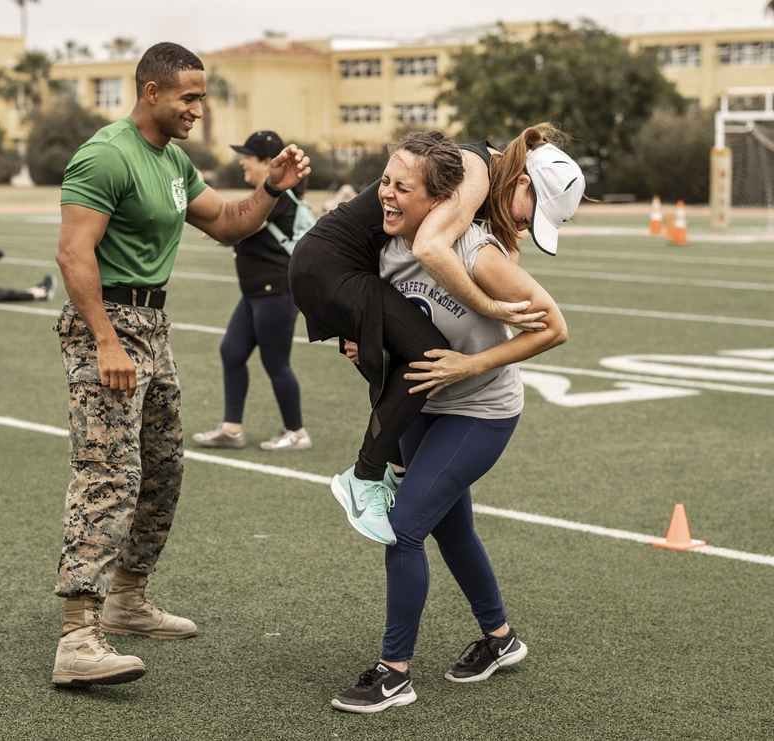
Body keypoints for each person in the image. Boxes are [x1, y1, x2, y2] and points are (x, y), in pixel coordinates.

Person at [50, 42, 310, 688]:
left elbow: (226, 223)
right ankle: (77, 636)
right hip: (104, 325)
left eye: (202, 96)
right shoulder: (108, 155)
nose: (199, 108)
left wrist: (271, 187)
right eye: (189, 97)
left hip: (152, 326)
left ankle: (127, 598)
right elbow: (73, 254)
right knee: (109, 470)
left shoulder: (171, 161)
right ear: (151, 93)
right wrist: (106, 341)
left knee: (162, 466)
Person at [330, 134, 577, 714]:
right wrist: (360, 339)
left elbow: (554, 328)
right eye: (387, 186)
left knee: (404, 525)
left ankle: (394, 675)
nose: (388, 197)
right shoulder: (394, 242)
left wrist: (471, 363)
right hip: (423, 406)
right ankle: (501, 639)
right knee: (452, 528)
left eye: (400, 187)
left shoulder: (478, 251)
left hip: (480, 411)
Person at [288, 124, 582, 544]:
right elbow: (428, 247)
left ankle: (391, 467)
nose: (524, 226)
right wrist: (491, 307)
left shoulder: (490, 186)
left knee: (402, 358)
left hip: (334, 267)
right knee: (427, 354)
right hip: (331, 265)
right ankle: (364, 477)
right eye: (531, 215)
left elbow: (497, 251)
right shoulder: (475, 168)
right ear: (521, 182)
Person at [192, 130, 310, 452]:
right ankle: (231, 430)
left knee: (276, 364)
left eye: (248, 155)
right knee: (231, 352)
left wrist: (218, 223)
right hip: (255, 294)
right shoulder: (262, 196)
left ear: (267, 161)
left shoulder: (277, 198)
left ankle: (296, 432)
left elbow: (236, 227)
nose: (242, 160)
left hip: (276, 293)